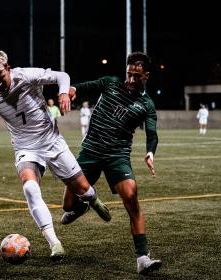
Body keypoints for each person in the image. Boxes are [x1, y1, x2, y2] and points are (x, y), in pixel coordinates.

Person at [0, 49, 111, 261]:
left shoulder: (26, 75)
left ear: (8, 69)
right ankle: (54, 243)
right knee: (29, 187)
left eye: (0, 77)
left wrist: (64, 92)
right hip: (25, 146)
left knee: (83, 189)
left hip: (51, 140)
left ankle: (92, 201)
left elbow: (61, 76)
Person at [61, 52, 162, 275]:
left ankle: (142, 258)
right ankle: (85, 204)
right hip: (91, 152)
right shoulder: (110, 83)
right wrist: (69, 92)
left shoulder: (147, 104)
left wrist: (150, 153)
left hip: (118, 156)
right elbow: (79, 87)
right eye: (129, 74)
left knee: (132, 197)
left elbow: (152, 134)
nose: (132, 80)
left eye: (137, 76)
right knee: (68, 206)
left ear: (146, 75)